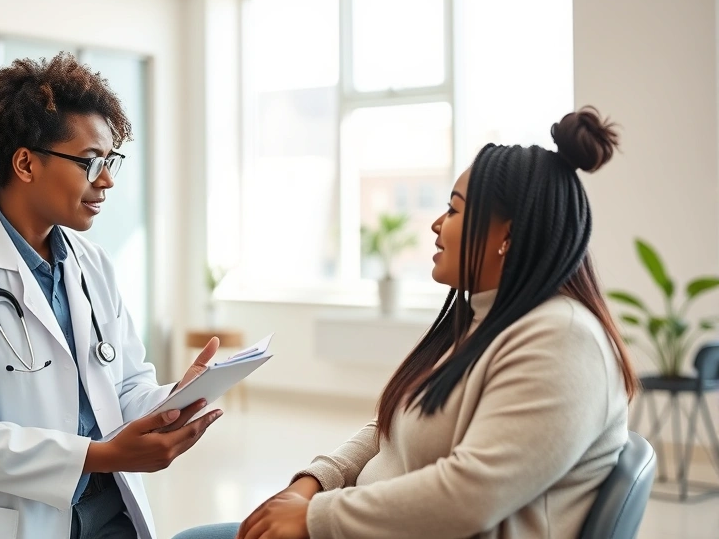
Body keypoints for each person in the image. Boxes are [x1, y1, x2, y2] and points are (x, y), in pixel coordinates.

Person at [175, 107, 639, 539]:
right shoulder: (485, 323)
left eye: (455, 210)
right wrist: (314, 483)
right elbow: (391, 429)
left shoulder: (562, 340)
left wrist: (317, 516)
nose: (437, 224)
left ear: (507, 235)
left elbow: (471, 496)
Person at [0, 53, 223, 539]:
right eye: (91, 163)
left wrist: (174, 401)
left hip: (108, 512)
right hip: (6, 521)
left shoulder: (93, 265)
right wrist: (101, 455)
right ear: (25, 163)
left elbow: (124, 387)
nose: (107, 179)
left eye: (110, 161)